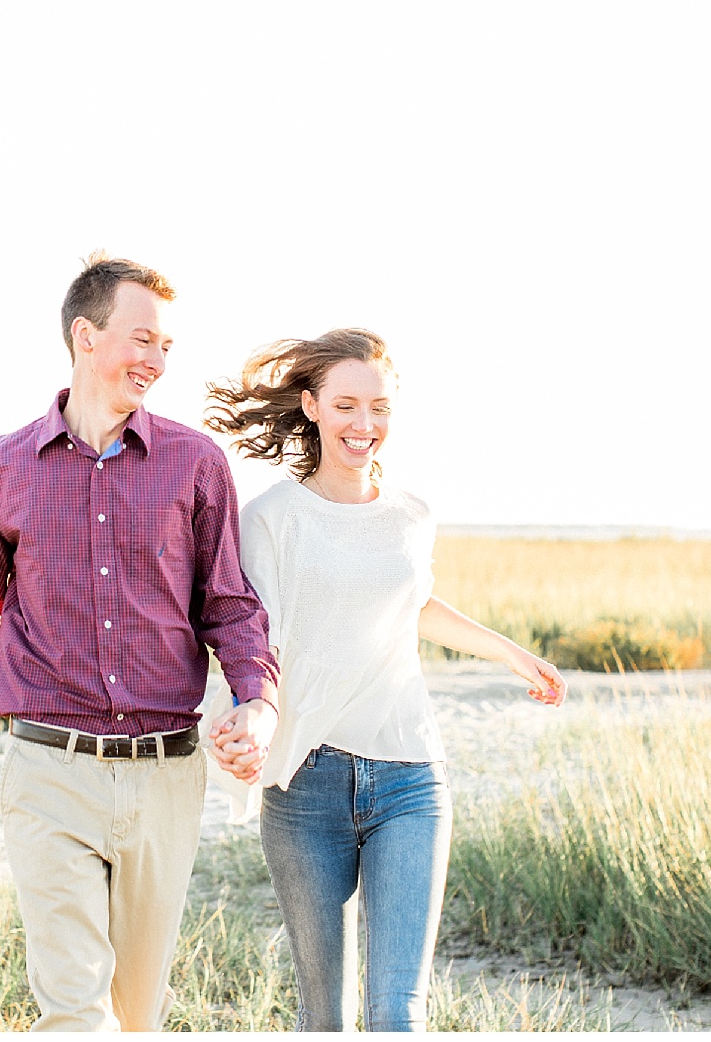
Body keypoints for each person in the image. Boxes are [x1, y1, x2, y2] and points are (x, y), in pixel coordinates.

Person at [0, 252, 282, 1032]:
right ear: (85, 335)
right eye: (141, 338)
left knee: (135, 1014)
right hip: (49, 770)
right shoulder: (8, 465)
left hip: (165, 776)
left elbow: (228, 602)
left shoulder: (196, 463)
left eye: (166, 347)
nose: (155, 359)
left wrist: (257, 700)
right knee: (76, 1009)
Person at [204, 327, 566, 1032]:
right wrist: (250, 716)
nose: (364, 425)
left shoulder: (412, 514)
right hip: (306, 784)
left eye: (379, 407)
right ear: (310, 406)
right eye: (345, 405)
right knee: (325, 1015)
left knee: (398, 1013)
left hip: (409, 776)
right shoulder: (272, 518)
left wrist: (510, 653)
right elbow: (255, 639)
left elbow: (411, 602)